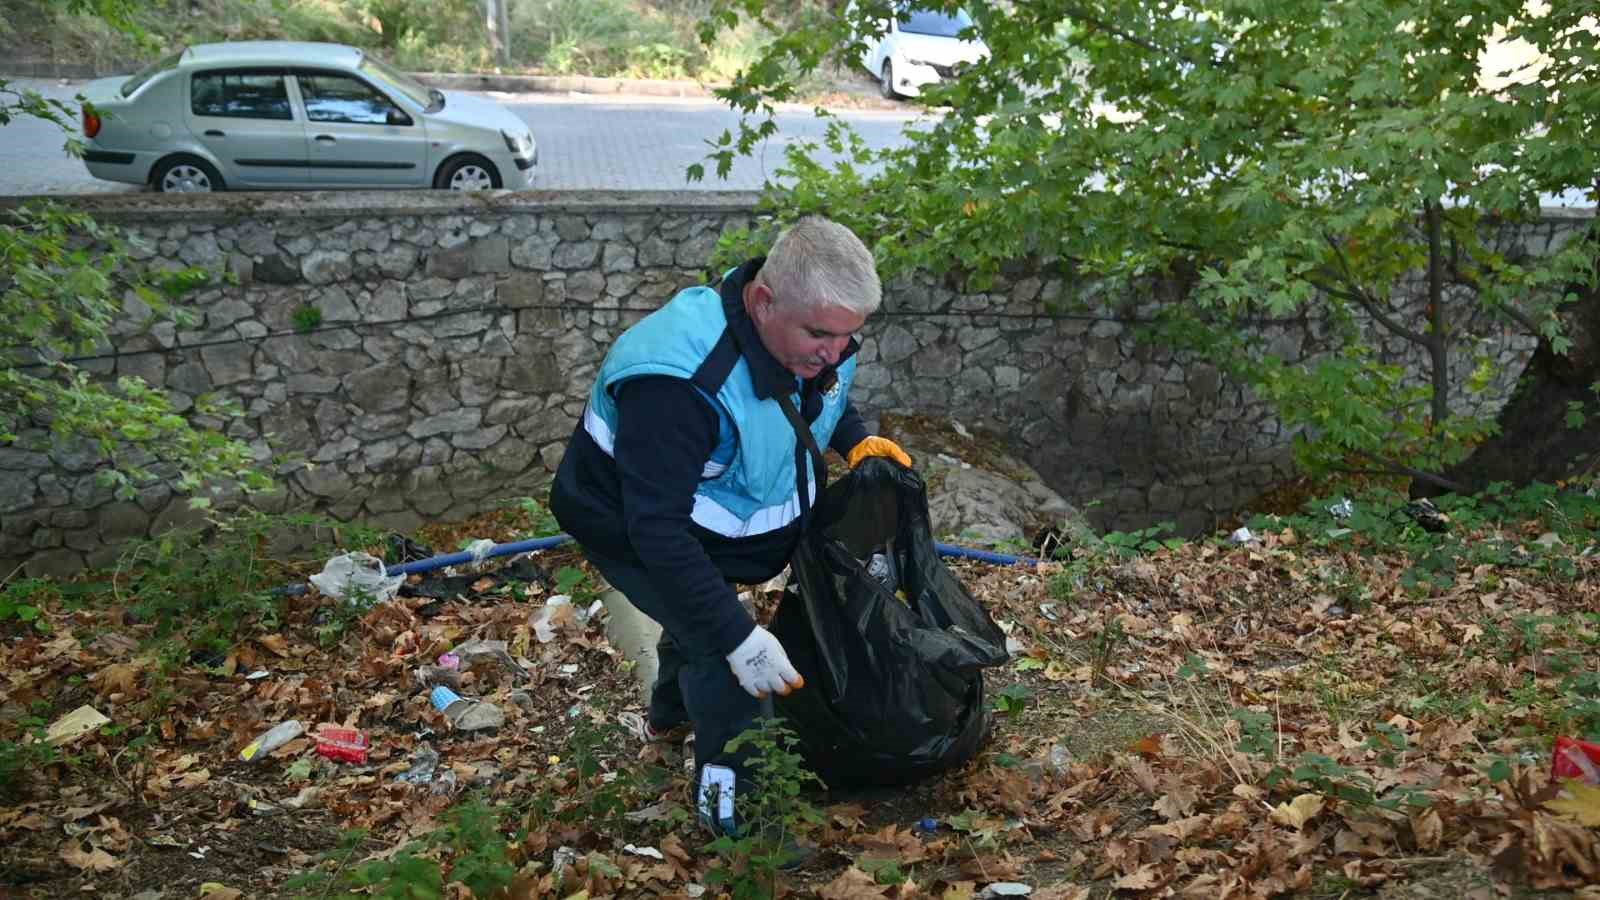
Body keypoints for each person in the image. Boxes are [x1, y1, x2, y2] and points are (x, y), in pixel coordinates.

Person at [550, 215, 910, 837]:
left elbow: (821, 391)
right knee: (727, 659)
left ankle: (666, 715)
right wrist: (738, 637)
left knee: (697, 616)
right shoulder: (678, 386)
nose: (836, 351)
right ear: (764, 301)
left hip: (704, 519)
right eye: (822, 334)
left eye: (850, 336)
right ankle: (740, 826)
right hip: (628, 526)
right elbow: (656, 532)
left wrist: (853, 441)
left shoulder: (811, 334)